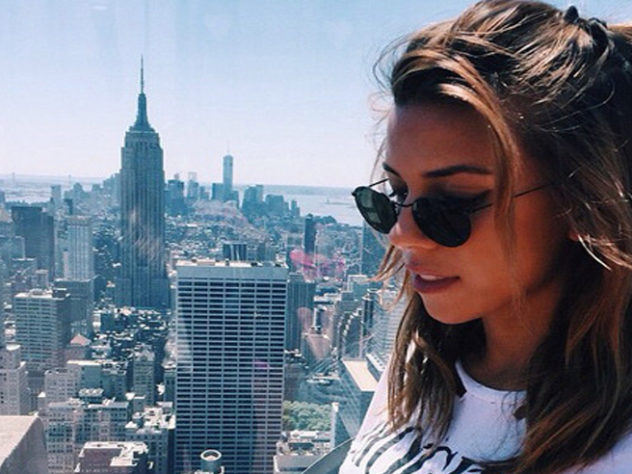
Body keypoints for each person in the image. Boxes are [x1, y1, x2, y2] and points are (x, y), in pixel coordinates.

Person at [340, 0, 632, 472]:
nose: (402, 234)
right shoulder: (421, 363)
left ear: (582, 205)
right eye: (396, 193)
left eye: (453, 202)